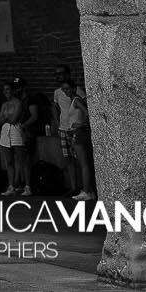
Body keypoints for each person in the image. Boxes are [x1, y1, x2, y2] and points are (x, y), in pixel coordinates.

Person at [56, 69, 93, 200]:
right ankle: (88, 189)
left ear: (72, 88)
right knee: (80, 161)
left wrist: (81, 124)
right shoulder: (72, 101)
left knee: (83, 163)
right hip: (74, 132)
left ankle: (86, 191)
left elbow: (87, 113)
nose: (65, 91)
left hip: (78, 132)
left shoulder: (76, 100)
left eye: (67, 88)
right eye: (63, 89)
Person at [0, 81, 32, 197]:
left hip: (16, 130)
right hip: (5, 131)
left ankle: (27, 186)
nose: (6, 92)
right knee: (9, 161)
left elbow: (14, 119)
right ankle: (11, 186)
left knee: (22, 159)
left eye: (8, 89)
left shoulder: (18, 103)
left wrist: (5, 117)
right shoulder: (4, 105)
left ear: (13, 91)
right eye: (4, 90)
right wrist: (7, 117)